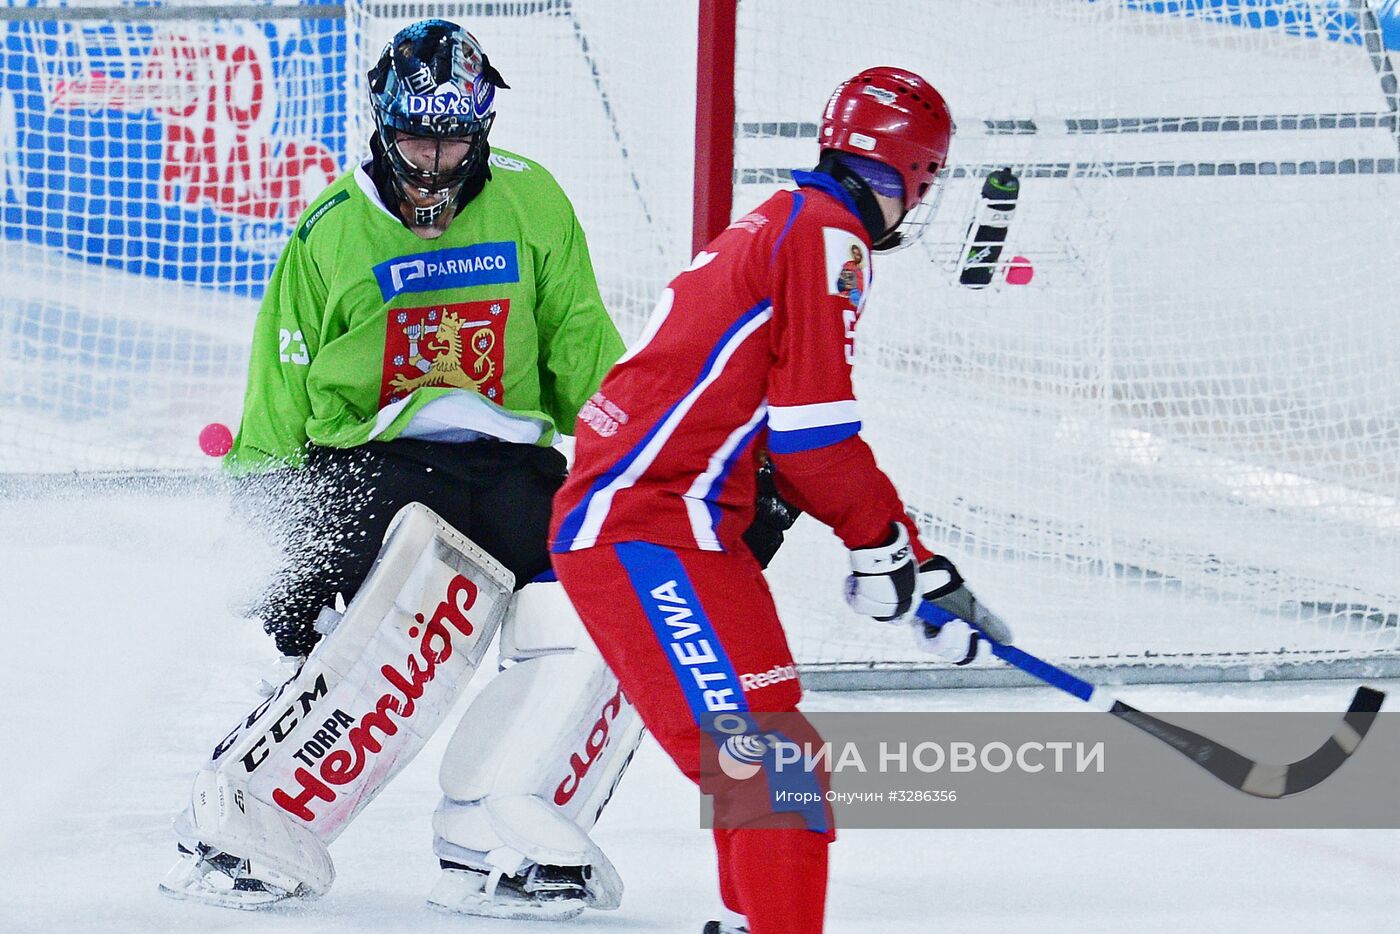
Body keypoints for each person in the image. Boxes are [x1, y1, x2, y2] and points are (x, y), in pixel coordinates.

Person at [159, 20, 644, 920]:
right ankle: (248, 818)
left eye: (452, 138)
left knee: (596, 604)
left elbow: (585, 354)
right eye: (415, 138)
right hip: (376, 467)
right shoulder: (331, 232)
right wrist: (276, 526)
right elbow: (280, 389)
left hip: (508, 466)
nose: (433, 161)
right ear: (382, 128)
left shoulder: (535, 203)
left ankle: (500, 824)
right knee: (386, 636)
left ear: (482, 129)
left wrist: (657, 454)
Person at [551, 67, 985, 934]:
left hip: (690, 528)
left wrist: (917, 564)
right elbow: (813, 444)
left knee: (775, 746)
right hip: (641, 523)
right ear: (909, 173)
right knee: (766, 763)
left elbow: (787, 433)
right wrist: (883, 550)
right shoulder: (828, 236)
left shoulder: (789, 220)